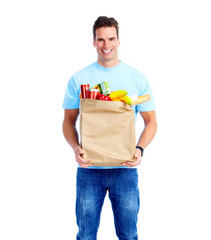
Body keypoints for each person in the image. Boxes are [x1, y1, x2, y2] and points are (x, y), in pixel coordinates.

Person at [63, 16, 157, 240]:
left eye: (111, 38)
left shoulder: (137, 78)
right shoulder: (79, 79)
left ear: (119, 40)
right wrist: (75, 147)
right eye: (101, 39)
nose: (107, 45)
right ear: (93, 41)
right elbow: (68, 121)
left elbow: (151, 122)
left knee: (128, 235)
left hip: (125, 169)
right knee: (85, 235)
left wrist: (140, 149)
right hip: (89, 170)